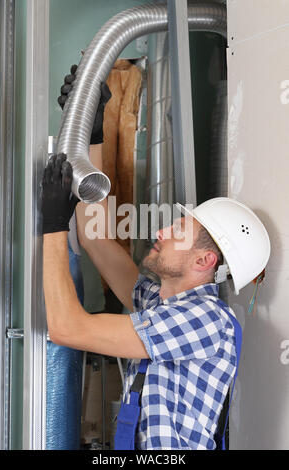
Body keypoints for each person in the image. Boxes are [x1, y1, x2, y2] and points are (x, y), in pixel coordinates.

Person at [41, 74, 270, 450]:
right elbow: (95, 238)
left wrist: (51, 226)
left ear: (204, 259)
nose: (161, 232)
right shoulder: (161, 304)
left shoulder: (204, 319)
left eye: (178, 230)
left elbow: (67, 328)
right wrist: (92, 131)